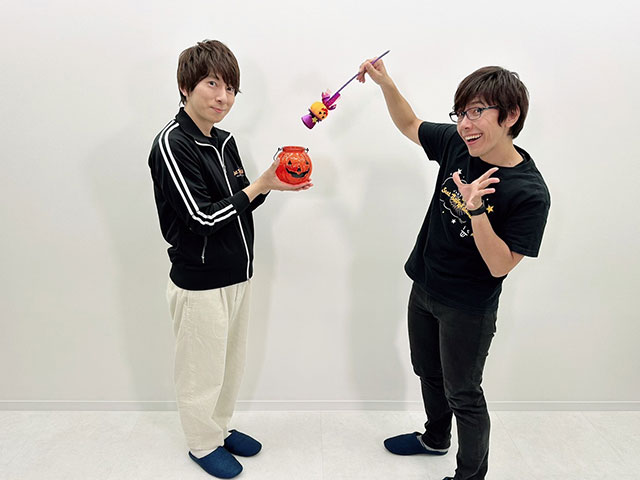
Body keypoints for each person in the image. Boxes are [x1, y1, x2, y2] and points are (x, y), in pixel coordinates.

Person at [357, 60, 550, 480]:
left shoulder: (530, 192)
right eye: (460, 113)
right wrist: (386, 83)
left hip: (468, 307)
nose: (465, 124)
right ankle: (435, 438)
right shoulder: (458, 145)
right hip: (425, 284)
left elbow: (499, 265)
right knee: (428, 371)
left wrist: (475, 209)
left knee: (463, 392)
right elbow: (410, 124)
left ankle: (470, 476)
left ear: (511, 115)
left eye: (477, 111)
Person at [148, 39, 312, 479]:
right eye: (212, 84)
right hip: (199, 281)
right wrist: (257, 186)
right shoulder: (172, 144)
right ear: (185, 87)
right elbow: (201, 218)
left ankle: (219, 428)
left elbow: (236, 202)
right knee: (200, 370)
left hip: (237, 275)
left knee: (228, 365)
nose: (223, 97)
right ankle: (202, 443)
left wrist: (269, 185)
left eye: (231, 88)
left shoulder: (224, 141)